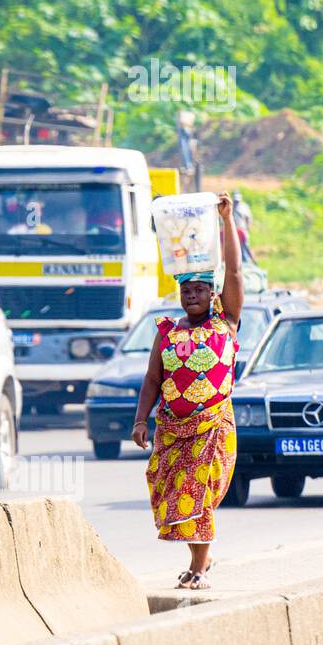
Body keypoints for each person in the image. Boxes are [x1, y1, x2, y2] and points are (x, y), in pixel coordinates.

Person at [131, 193, 243, 590]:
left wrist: (226, 220)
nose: (192, 296)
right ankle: (201, 559)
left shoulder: (226, 323)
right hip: (173, 430)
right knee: (176, 493)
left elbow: (234, 275)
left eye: (199, 290)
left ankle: (199, 566)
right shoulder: (167, 332)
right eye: (186, 291)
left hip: (213, 427)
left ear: (211, 294)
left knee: (200, 490)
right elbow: (151, 380)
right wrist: (141, 419)